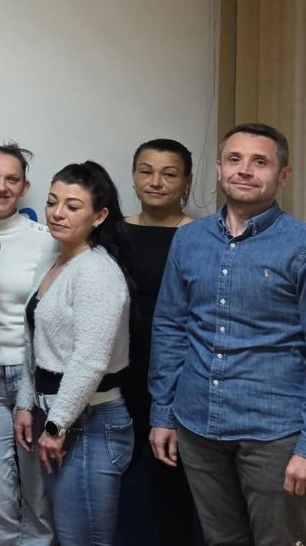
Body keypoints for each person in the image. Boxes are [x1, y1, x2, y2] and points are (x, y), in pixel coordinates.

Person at [149, 123, 306, 544]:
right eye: (234, 160)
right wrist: (162, 413)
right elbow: (171, 327)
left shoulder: (300, 245)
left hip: (273, 431)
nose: (245, 170)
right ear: (219, 169)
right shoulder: (189, 239)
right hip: (197, 424)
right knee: (220, 539)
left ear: (283, 175)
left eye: (260, 162)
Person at [13, 161, 134, 546]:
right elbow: (37, 343)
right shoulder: (58, 260)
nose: (57, 212)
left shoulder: (97, 271)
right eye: (52, 202)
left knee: (83, 540)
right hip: (59, 417)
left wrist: (56, 426)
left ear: (99, 216)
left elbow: (90, 360)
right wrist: (26, 403)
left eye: (72, 205)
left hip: (90, 423)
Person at [0, 143, 58, 546]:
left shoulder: (47, 240)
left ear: (25, 187)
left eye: (11, 179)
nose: (1, 187)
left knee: (39, 494)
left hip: (33, 382)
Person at [121, 138, 201, 545]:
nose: (155, 182)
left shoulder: (203, 235)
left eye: (169, 174)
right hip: (119, 369)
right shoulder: (112, 231)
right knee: (123, 476)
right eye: (146, 171)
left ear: (187, 182)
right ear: (133, 176)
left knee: (172, 477)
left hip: (179, 371)